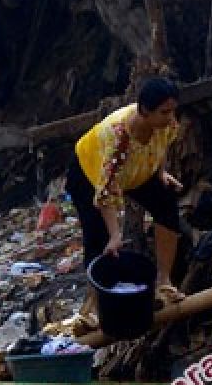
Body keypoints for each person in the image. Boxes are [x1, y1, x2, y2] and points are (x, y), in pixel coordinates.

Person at [68, 77, 186, 307]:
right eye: (164, 112)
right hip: (90, 173)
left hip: (136, 169)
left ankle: (164, 281)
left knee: (167, 206)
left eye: (173, 111)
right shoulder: (120, 139)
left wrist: (160, 173)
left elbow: (162, 146)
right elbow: (105, 193)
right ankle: (94, 306)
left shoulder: (167, 124)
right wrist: (115, 235)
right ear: (144, 111)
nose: (171, 117)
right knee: (98, 238)